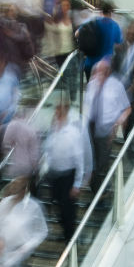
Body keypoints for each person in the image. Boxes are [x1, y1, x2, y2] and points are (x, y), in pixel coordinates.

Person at [43, 98, 90, 244]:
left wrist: (77, 184)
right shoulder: (54, 129)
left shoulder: (72, 133)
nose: (56, 112)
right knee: (57, 204)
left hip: (68, 175)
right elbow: (48, 149)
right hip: (54, 174)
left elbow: (79, 159)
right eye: (56, 109)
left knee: (68, 209)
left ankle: (71, 238)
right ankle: (65, 233)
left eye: (59, 110)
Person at [84, 59, 131, 192]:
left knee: (102, 162)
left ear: (108, 72)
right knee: (92, 160)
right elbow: (87, 106)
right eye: (97, 71)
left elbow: (127, 108)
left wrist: (117, 124)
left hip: (107, 129)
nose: (98, 74)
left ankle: (99, 191)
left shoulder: (116, 86)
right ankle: (96, 188)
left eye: (101, 71)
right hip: (91, 126)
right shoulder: (91, 85)